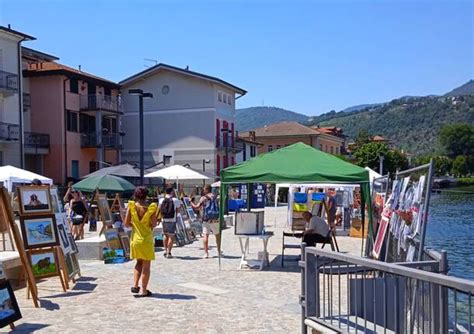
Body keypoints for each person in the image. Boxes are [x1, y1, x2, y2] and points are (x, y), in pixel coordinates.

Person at [124, 186, 158, 298]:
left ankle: (135, 285)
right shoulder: (151, 208)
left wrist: (135, 225)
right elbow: (153, 224)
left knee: (138, 263)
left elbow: (126, 223)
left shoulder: (132, 206)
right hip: (146, 239)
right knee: (146, 266)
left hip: (135, 239)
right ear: (146, 195)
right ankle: (144, 290)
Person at [192, 184, 220, 259]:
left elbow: (197, 207)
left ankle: (206, 253)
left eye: (204, 189)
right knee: (217, 235)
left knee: (205, 235)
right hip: (215, 218)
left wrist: (190, 202)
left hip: (206, 219)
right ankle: (219, 251)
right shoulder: (215, 197)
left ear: (206, 190)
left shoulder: (203, 198)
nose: (203, 191)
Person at [159, 187, 180, 258]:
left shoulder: (161, 200)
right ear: (172, 192)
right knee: (171, 236)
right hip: (172, 220)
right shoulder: (175, 200)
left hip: (164, 220)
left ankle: (165, 251)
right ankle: (169, 252)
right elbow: (178, 210)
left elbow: (159, 210)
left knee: (165, 235)